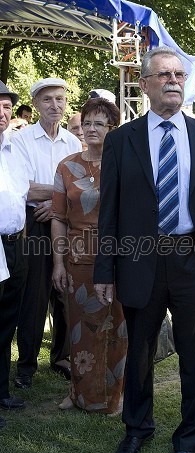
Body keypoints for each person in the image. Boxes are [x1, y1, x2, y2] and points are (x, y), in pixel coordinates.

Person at [93, 46, 195, 453]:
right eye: (164, 74)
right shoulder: (121, 140)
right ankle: (137, 428)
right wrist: (104, 269)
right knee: (140, 352)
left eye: (178, 74)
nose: (173, 80)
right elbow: (110, 211)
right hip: (140, 261)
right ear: (144, 84)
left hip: (194, 261)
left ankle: (189, 439)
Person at [51, 98, 127, 414]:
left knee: (116, 328)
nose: (91, 128)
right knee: (80, 328)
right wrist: (58, 262)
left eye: (99, 123)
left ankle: (113, 397)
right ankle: (79, 393)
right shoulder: (67, 166)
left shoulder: (125, 164)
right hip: (78, 259)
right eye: (87, 122)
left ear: (112, 129)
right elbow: (58, 216)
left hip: (118, 257)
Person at [11, 78, 82, 389]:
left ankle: (62, 357)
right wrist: (60, 198)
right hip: (35, 223)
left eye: (60, 99)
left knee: (67, 294)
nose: (55, 105)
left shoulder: (73, 142)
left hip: (67, 222)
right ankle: (26, 365)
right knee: (35, 298)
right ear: (36, 104)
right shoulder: (22, 140)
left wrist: (55, 202)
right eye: (48, 100)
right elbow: (23, 187)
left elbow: (82, 186)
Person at [0, 81, 30, 429]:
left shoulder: (14, 148)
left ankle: (1, 391)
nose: (2, 113)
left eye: (7, 107)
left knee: (7, 322)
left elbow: (27, 192)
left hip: (16, 244)